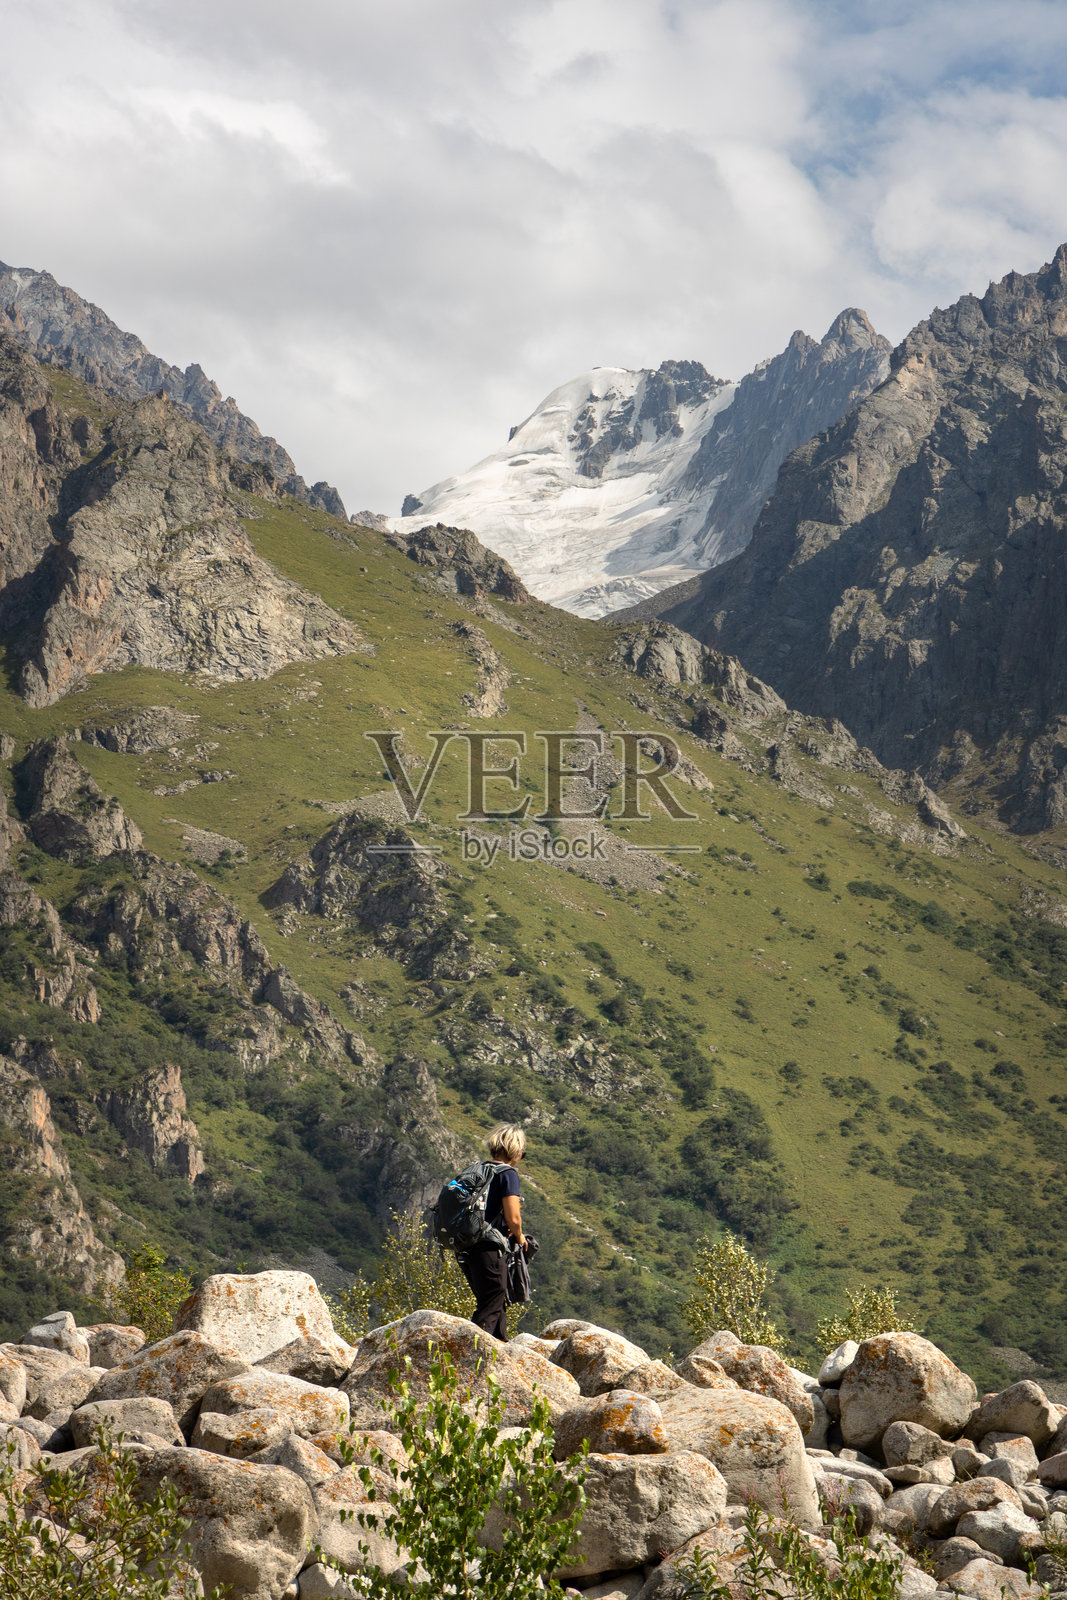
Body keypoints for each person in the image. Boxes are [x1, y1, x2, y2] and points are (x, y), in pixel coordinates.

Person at [457, 1124, 527, 1341]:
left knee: (495, 1300)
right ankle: (473, 1353)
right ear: (515, 1150)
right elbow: (513, 1218)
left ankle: (500, 1346)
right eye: (522, 1152)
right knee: (493, 1298)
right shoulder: (507, 1174)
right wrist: (521, 1237)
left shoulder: (479, 1170)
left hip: (465, 1246)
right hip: (488, 1247)